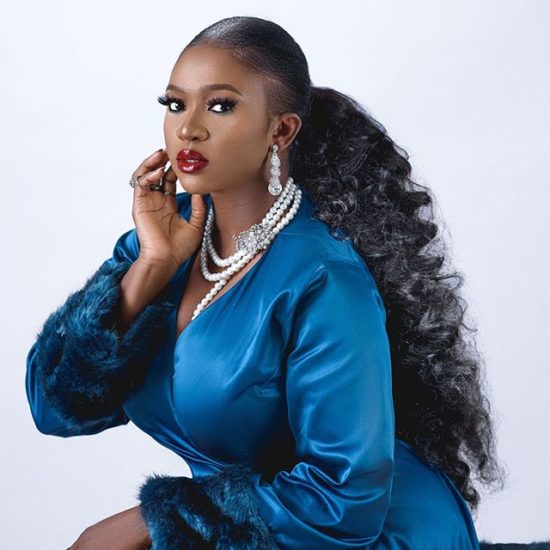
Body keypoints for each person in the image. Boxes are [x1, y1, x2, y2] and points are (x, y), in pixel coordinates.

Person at [25, 15, 506, 550]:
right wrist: (152, 268)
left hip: (364, 534)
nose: (188, 129)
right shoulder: (156, 242)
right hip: (236, 532)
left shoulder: (322, 277)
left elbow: (346, 501)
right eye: (175, 104)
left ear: (281, 131)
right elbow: (53, 409)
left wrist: (149, 520)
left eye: (220, 106)